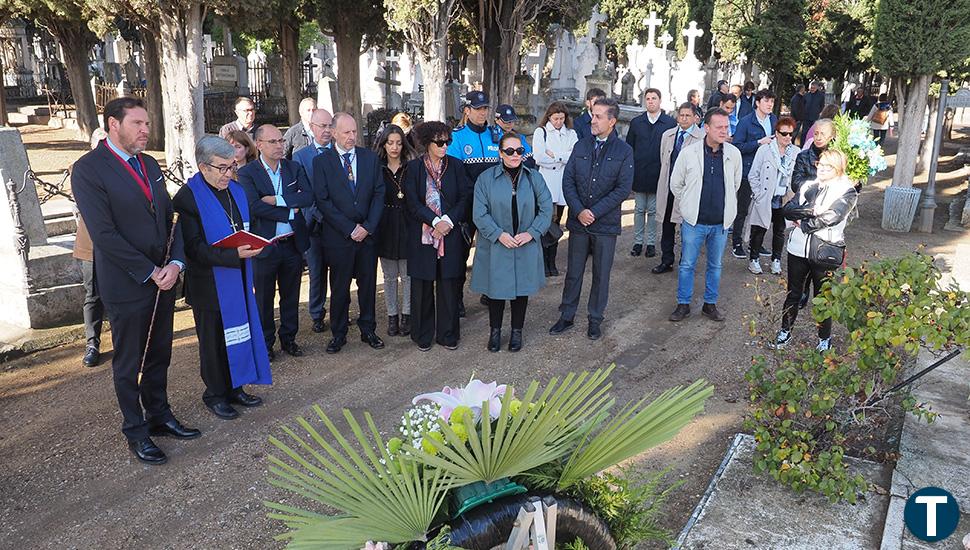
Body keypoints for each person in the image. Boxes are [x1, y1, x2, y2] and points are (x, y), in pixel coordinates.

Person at [72, 96, 198, 465]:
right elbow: (105, 234)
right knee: (130, 361)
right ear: (114, 124)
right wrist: (149, 271)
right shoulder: (89, 170)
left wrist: (175, 262)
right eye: (138, 124)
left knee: (160, 353)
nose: (146, 130)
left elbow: (169, 218)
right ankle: (136, 430)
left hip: (164, 278)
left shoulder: (149, 164)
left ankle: (159, 415)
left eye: (146, 123)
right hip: (128, 284)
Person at [173, 136, 271, 420]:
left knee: (239, 332)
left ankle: (236, 386)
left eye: (233, 166)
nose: (229, 174)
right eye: (223, 168)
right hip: (209, 283)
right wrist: (232, 256)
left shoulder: (236, 191)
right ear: (203, 167)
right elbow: (193, 248)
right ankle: (215, 394)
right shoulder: (188, 198)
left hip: (238, 277)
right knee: (214, 340)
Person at [549, 98, 634, 340]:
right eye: (592, 115)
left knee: (600, 274)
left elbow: (622, 189)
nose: (592, 120)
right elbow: (569, 181)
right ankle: (566, 315)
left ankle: (595, 319)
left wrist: (594, 212)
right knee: (573, 272)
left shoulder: (624, 151)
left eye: (598, 117)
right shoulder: (581, 145)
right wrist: (579, 210)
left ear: (612, 121)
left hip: (605, 225)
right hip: (579, 223)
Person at [237, 124, 313, 361]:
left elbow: (308, 196)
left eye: (281, 141)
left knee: (291, 295)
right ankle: (266, 343)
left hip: (291, 243)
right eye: (273, 142)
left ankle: (289, 338)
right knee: (264, 297)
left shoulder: (293, 167)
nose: (280, 145)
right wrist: (291, 211)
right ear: (258, 144)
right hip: (264, 245)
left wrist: (277, 199)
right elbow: (253, 206)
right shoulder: (248, 173)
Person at [311, 112, 386, 354]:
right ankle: (339, 333)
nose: (352, 136)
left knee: (367, 286)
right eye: (346, 132)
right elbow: (322, 200)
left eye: (354, 131)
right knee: (340, 287)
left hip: (367, 235)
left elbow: (378, 193)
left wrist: (367, 227)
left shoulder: (369, 158)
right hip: (338, 237)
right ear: (333, 133)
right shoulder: (322, 162)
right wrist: (349, 228)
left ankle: (368, 329)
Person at [472, 132, 552, 352]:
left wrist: (532, 233)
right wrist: (498, 234)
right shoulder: (486, 179)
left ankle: (517, 331)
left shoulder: (534, 177)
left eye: (519, 151)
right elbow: (479, 213)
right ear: (500, 153)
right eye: (510, 151)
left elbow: (546, 209)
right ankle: (495, 331)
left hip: (524, 241)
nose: (515, 155)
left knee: (521, 289)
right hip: (497, 243)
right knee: (496, 289)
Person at [771, 149, 858, 352]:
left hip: (825, 251)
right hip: (798, 250)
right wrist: (812, 211)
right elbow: (788, 209)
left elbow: (833, 216)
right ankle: (785, 331)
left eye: (829, 167)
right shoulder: (808, 186)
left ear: (838, 169)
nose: (822, 170)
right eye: (821, 165)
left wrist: (804, 224)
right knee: (793, 293)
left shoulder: (847, 190)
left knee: (823, 297)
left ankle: (824, 339)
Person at [668, 108, 742, 323]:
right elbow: (676, 184)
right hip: (694, 222)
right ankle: (683, 304)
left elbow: (735, 184)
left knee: (716, 266)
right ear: (706, 128)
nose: (724, 130)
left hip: (720, 223)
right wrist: (689, 204)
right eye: (719, 127)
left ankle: (710, 304)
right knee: (687, 265)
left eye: (726, 127)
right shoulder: (689, 153)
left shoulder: (733, 154)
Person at [404, 121, 471, 351]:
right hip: (424, 235)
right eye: (440, 142)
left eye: (447, 141)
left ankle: (448, 334)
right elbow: (412, 202)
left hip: (449, 234)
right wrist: (434, 221)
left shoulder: (457, 166)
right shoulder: (413, 169)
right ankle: (423, 335)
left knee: (449, 285)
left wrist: (448, 221)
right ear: (427, 143)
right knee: (422, 286)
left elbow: (465, 198)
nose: (445, 146)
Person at [448, 90, 500, 317]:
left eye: (485, 108)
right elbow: (457, 175)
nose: (483, 113)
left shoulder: (495, 134)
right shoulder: (457, 137)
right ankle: (456, 299)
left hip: (493, 206)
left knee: (493, 251)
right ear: (467, 110)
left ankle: (491, 292)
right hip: (467, 206)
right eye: (478, 109)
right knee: (460, 254)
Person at [292, 108, 334, 334]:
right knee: (317, 271)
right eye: (322, 126)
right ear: (312, 127)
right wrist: (320, 213)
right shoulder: (301, 156)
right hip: (314, 224)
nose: (327, 130)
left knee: (339, 271)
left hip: (339, 225)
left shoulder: (341, 153)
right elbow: (303, 191)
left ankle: (339, 310)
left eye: (330, 126)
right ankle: (317, 313)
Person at [653, 102, 706, 274]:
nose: (683, 118)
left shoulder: (702, 137)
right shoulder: (668, 135)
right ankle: (666, 260)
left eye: (687, 116)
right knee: (667, 225)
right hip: (669, 186)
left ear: (695, 118)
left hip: (688, 190)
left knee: (687, 227)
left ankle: (686, 261)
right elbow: (663, 159)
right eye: (681, 115)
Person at [375, 124, 416, 337]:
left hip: (407, 222)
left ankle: (407, 314)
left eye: (399, 143)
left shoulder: (410, 166)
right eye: (390, 143)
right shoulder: (377, 166)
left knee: (407, 274)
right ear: (384, 144)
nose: (394, 147)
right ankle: (392, 316)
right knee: (390, 276)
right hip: (385, 224)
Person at [746, 116, 800, 276]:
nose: (788, 137)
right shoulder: (765, 150)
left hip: (784, 197)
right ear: (776, 133)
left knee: (780, 230)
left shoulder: (795, 152)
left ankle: (776, 260)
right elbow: (753, 174)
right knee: (759, 229)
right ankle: (754, 259)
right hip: (765, 196)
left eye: (791, 134)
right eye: (784, 134)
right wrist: (758, 194)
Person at [627, 88, 677, 260]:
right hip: (640, 172)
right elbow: (630, 147)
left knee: (655, 211)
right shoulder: (636, 122)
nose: (650, 101)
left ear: (660, 100)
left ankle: (650, 243)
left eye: (654, 98)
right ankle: (638, 241)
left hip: (659, 173)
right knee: (639, 209)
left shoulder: (669, 123)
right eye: (647, 98)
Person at [532, 101, 578, 276]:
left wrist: (556, 155)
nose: (558, 122)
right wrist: (561, 158)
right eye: (555, 118)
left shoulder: (571, 133)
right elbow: (539, 157)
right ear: (549, 117)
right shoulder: (541, 132)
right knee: (546, 223)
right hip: (547, 182)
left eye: (561, 118)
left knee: (557, 222)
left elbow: (574, 155)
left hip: (563, 183)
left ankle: (552, 262)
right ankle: (543, 262)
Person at [731, 89, 778, 259]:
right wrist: (759, 142)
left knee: (761, 208)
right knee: (742, 209)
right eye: (766, 101)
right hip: (747, 170)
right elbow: (737, 146)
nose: (770, 105)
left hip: (767, 171)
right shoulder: (746, 122)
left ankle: (755, 243)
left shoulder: (773, 120)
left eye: (772, 102)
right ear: (757, 103)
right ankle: (736, 243)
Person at [793, 118, 836, 192]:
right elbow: (795, 184)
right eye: (816, 134)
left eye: (823, 134)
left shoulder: (839, 157)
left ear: (832, 135)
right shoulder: (803, 156)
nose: (818, 138)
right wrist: (817, 185)